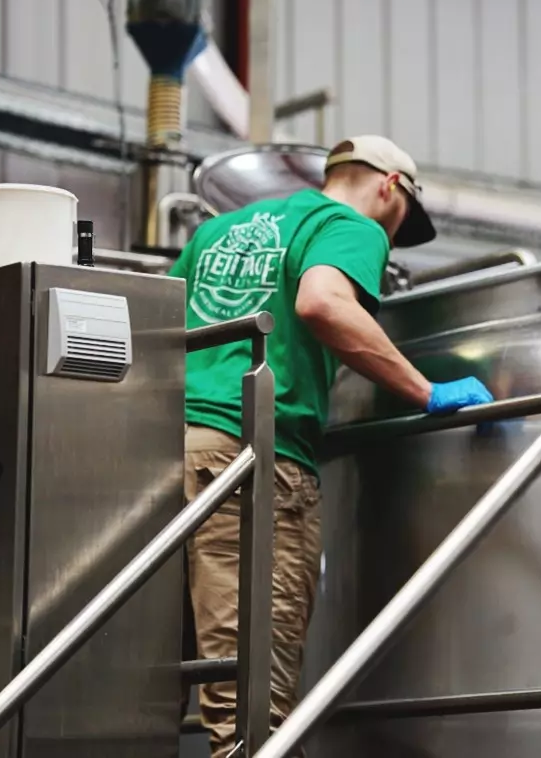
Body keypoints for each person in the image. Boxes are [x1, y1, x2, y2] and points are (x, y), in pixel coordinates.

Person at [170, 135, 494, 758]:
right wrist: (424, 390)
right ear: (389, 186)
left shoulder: (221, 231)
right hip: (253, 465)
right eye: (404, 220)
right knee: (250, 709)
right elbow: (321, 302)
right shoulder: (351, 225)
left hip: (171, 457)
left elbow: (157, 324)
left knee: (154, 688)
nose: (395, 238)